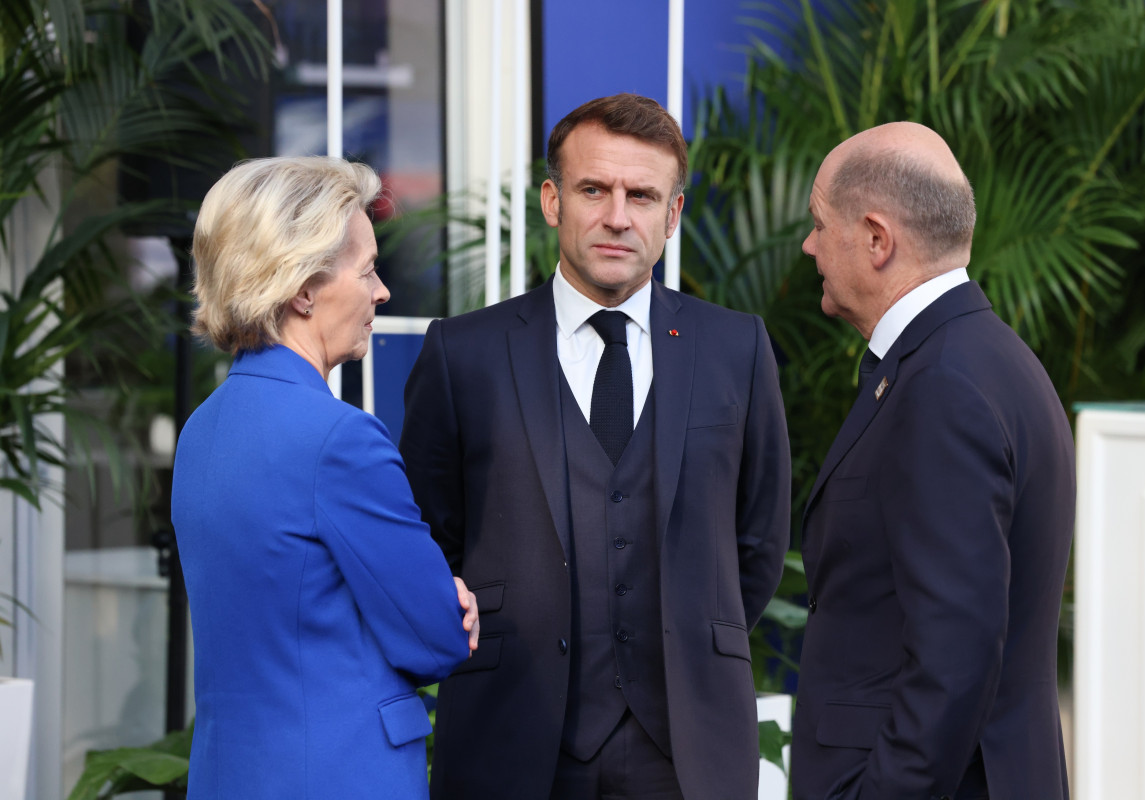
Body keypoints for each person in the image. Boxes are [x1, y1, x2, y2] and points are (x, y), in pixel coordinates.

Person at [399, 93, 792, 800]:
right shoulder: (464, 354)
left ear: (673, 214)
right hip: (511, 742)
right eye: (593, 190)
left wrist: (691, 636)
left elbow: (758, 541)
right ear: (552, 201)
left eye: (642, 196)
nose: (617, 216)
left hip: (688, 752)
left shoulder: (737, 349)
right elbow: (430, 541)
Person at [171, 155, 479, 799]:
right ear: (303, 290)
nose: (381, 291)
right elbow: (436, 640)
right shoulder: (340, 440)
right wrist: (449, 601)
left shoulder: (200, 431)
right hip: (339, 775)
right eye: (366, 270)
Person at [789, 122, 1075, 800]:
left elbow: (955, 656)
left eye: (820, 224)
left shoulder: (942, 385)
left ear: (877, 239)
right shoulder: (986, 358)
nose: (808, 246)